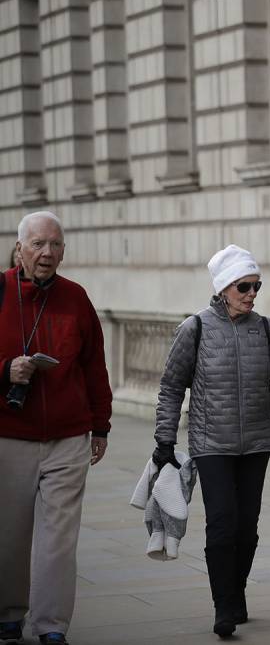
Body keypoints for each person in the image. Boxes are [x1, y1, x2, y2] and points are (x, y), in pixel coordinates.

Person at [153, 244, 270, 638]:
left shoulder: (264, 328)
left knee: (248, 527)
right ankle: (223, 606)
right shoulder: (194, 328)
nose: (251, 294)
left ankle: (237, 588)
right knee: (222, 525)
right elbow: (171, 387)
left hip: (256, 443)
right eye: (244, 286)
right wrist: (163, 440)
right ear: (224, 287)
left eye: (256, 286)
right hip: (211, 443)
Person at [0, 211, 113, 645]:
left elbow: (93, 367)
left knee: (59, 538)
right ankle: (9, 612)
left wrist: (99, 426)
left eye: (57, 245)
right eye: (39, 244)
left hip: (67, 436)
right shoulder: (1, 292)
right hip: (10, 434)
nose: (48, 253)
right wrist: (6, 370)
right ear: (20, 247)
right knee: (9, 533)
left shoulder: (75, 298)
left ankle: (51, 625)